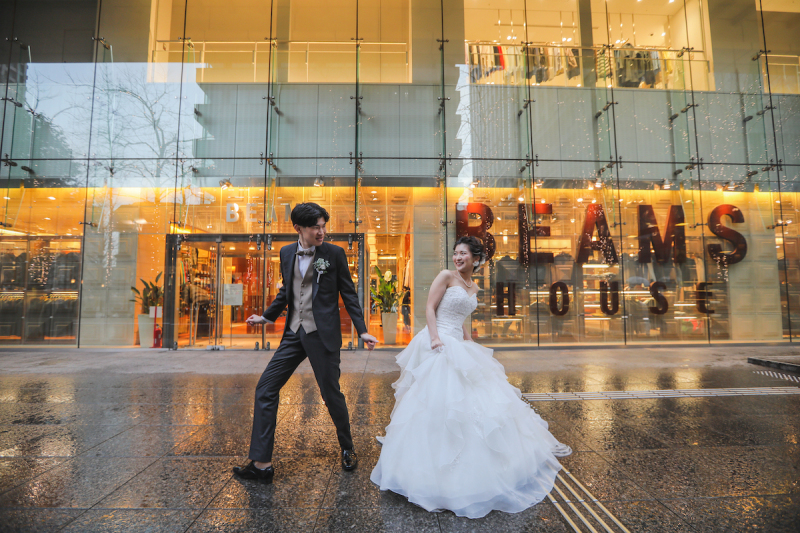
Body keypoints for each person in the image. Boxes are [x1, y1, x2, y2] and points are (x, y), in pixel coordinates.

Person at [370, 236, 571, 519]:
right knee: (430, 396)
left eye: (463, 253)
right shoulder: (446, 276)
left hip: (457, 340)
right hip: (437, 339)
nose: (457, 257)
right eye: (455, 253)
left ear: (476, 258)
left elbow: (462, 318)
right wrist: (436, 338)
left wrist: (469, 341)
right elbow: (430, 308)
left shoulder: (472, 286)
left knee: (473, 396)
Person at [234, 202, 378, 482]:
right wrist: (266, 318)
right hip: (293, 333)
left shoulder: (335, 254)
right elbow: (287, 291)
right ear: (298, 228)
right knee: (265, 388)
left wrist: (361, 331)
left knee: (330, 394)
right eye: (316, 227)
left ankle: (348, 447)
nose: (322, 231)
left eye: (324, 226)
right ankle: (262, 464)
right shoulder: (286, 252)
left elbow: (349, 294)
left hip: (322, 335)